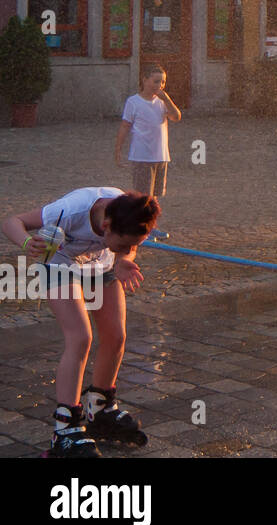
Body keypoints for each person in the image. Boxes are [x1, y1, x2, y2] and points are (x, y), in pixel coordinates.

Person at [1, 189, 160, 457]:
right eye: (124, 244)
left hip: (101, 266)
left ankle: (100, 407)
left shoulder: (130, 213)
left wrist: (123, 258)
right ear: (106, 226)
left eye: (134, 244)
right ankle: (65, 429)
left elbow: (128, 249)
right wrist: (27, 243)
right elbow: (12, 222)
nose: (129, 249)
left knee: (116, 334)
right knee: (80, 337)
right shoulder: (71, 211)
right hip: (61, 263)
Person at [113, 64, 180, 203]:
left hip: (160, 156)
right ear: (145, 80)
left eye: (163, 82)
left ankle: (150, 222)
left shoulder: (162, 102)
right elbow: (125, 126)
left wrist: (167, 99)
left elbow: (176, 117)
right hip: (142, 156)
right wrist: (118, 149)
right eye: (156, 81)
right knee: (142, 198)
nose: (160, 85)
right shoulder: (134, 102)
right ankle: (140, 222)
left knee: (154, 197)